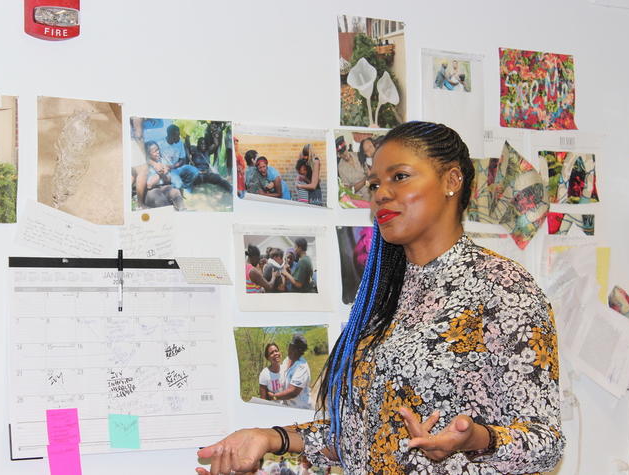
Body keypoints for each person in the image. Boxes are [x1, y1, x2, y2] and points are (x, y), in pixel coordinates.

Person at [196, 121, 564, 474]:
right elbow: (362, 438)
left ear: (452, 180)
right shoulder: (383, 294)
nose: (380, 194)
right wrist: (270, 437)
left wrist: (475, 440)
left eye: (399, 177)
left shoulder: (504, 287)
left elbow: (546, 443)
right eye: (374, 185)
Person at [266, 334, 311, 410]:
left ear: (297, 350)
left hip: (300, 408)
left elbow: (292, 392)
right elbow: (279, 374)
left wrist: (274, 396)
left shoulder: (302, 367)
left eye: (292, 347)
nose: (289, 348)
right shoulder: (288, 360)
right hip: (288, 406)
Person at [336, 135, 371, 203]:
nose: (345, 154)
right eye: (341, 154)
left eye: (345, 150)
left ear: (346, 147)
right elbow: (349, 190)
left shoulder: (358, 155)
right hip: (360, 200)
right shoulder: (341, 168)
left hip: (371, 193)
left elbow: (369, 173)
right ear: (339, 155)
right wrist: (364, 180)